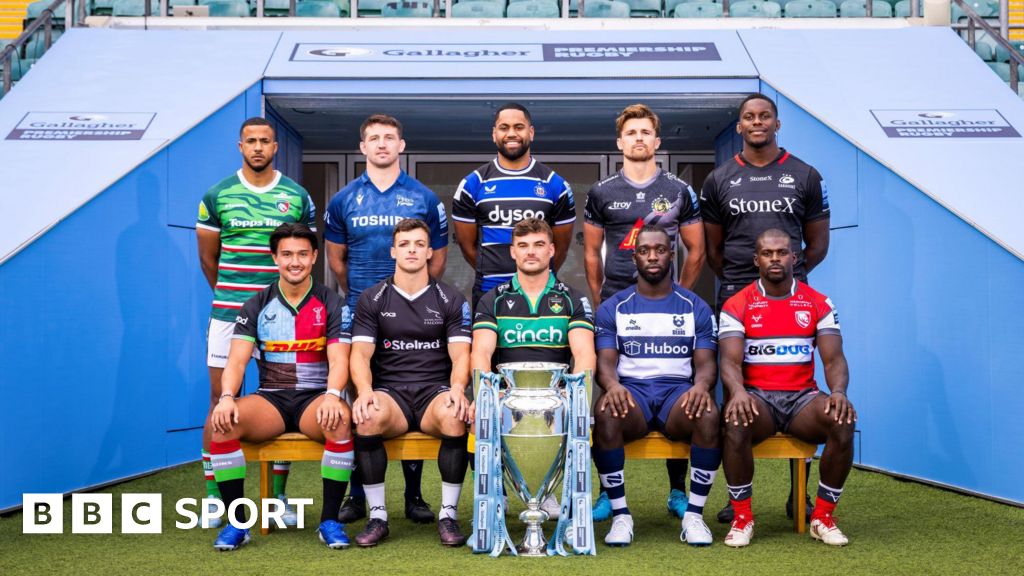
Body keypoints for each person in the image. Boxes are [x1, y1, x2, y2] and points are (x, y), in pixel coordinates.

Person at [699, 93, 831, 523]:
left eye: (764, 116)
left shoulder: (805, 174)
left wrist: (783, 278)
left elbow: (818, 243)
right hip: (736, 294)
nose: (757, 122)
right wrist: (744, 280)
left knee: (799, 382)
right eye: (748, 118)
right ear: (739, 126)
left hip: (790, 296)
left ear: (777, 123)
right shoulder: (719, 179)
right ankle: (736, 497)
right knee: (733, 394)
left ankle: (800, 496)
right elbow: (714, 249)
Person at [583, 103, 706, 522]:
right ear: (620, 143)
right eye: (630, 132)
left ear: (657, 141)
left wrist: (680, 296)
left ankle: (678, 490)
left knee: (680, 384)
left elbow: (696, 248)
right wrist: (601, 299)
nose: (638, 138)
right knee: (613, 389)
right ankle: (608, 493)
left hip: (668, 301)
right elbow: (590, 252)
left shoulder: (677, 190)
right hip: (618, 298)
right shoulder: (602, 192)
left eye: (644, 132)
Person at [324, 114, 449, 525]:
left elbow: (439, 258)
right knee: (363, 399)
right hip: (360, 310)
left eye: (389, 138)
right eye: (373, 138)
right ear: (362, 147)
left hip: (412, 312)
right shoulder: (343, 200)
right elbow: (337, 261)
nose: (381, 144)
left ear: (401, 144)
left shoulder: (424, 197)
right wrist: (365, 295)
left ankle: (414, 496)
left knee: (414, 388)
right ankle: (358, 496)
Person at [196, 117, 316, 527]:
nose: (258, 147)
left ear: (276, 146)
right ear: (240, 145)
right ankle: (215, 498)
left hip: (281, 317)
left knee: (280, 399)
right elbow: (209, 259)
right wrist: (237, 299)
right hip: (228, 314)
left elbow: (300, 255)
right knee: (218, 401)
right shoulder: (219, 195)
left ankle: (276, 498)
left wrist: (269, 304)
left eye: (266, 141)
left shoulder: (295, 195)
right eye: (251, 141)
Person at [208, 223, 354, 551]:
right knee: (221, 423)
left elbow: (340, 359)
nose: (295, 261)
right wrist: (227, 397)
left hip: (315, 398)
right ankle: (236, 522)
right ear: (275, 257)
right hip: (271, 399)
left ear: (315, 257)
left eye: (303, 254)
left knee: (341, 420)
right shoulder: (256, 304)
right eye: (287, 254)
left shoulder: (332, 303)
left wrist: (333, 395)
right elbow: (236, 361)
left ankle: (329, 520)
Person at [719, 229, 855, 548]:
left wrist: (838, 393)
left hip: (802, 400)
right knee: (735, 421)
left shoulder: (818, 302)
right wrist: (738, 393)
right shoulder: (737, 304)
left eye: (782, 253)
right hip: (758, 399)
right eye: (768, 253)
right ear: (757, 260)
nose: (775, 258)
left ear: (794, 258)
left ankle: (822, 517)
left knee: (843, 420)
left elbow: (834, 360)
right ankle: (742, 518)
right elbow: (729, 361)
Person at [348, 219, 473, 548]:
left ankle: (448, 514)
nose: (412, 250)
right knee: (367, 416)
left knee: (455, 415)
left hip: (434, 392)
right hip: (391, 394)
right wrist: (363, 393)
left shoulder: (450, 297)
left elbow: (461, 356)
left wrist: (458, 390)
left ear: (430, 251)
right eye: (405, 244)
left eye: (419, 244)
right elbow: (360, 355)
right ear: (393, 251)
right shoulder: (373, 298)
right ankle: (378, 516)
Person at [592, 225, 720, 547]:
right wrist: (612, 385)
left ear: (671, 254)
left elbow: (706, 367)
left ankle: (694, 515)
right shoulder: (613, 307)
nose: (652, 256)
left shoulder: (695, 307)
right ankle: (621, 516)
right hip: (632, 392)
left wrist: (701, 387)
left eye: (660, 250)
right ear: (634, 256)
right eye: (645, 250)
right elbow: (605, 365)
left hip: (676, 393)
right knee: (605, 411)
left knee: (707, 413)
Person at [452, 103, 576, 307]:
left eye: (519, 127)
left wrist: (535, 275)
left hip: (542, 293)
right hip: (489, 293)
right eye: (504, 127)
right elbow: (467, 247)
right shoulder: (472, 184)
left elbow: (560, 249)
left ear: (531, 132)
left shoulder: (555, 184)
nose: (511, 133)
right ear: (494, 134)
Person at [470, 217, 596, 372]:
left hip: (559, 393)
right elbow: (481, 354)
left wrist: (575, 393)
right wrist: (488, 392)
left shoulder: (574, 299)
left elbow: (585, 354)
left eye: (539, 245)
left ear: (551, 250)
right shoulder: (492, 300)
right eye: (523, 245)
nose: (531, 252)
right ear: (513, 252)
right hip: (504, 393)